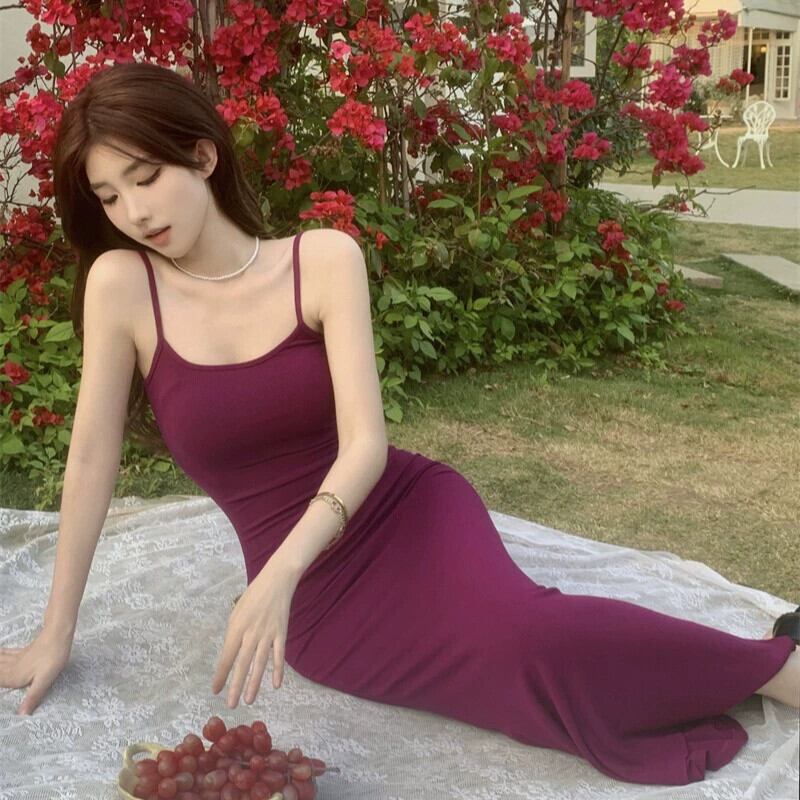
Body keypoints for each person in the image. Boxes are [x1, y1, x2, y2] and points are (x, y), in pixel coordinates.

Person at [0, 61, 797, 787]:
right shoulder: (123, 285)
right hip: (322, 611)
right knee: (508, 677)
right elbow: (91, 457)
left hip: (399, 512)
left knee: (525, 633)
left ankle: (776, 670)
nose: (134, 211)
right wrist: (54, 634)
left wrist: (277, 574)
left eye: (145, 177)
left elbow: (365, 445)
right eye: (109, 196)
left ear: (203, 156)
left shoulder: (321, 260)